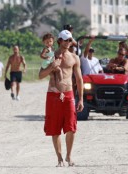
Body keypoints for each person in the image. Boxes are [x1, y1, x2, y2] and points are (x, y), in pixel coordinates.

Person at [39, 29, 84, 167]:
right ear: (59, 41)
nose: (68, 42)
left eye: (70, 40)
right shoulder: (51, 56)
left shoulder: (74, 57)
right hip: (53, 94)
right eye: (65, 40)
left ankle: (69, 156)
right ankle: (59, 159)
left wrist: (81, 98)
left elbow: (79, 79)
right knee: (54, 128)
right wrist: (52, 67)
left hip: (69, 93)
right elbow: (41, 75)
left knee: (71, 127)